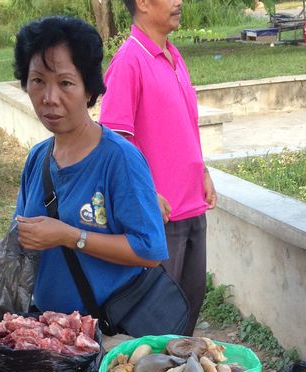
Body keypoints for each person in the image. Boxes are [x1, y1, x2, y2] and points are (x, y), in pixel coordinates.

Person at [0, 15, 168, 318]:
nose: (50, 98)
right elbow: (22, 242)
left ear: (89, 89)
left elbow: (150, 250)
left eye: (65, 83)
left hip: (109, 332)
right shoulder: (38, 158)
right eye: (38, 81)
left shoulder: (119, 159)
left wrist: (70, 236)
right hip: (51, 330)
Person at [99, 0, 217, 336]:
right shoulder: (129, 61)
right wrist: (146, 193)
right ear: (143, 3)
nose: (179, 2)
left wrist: (203, 171)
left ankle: (181, 369)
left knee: (189, 307)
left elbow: (184, 124)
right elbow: (115, 143)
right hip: (159, 218)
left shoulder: (174, 55)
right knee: (158, 321)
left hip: (192, 206)